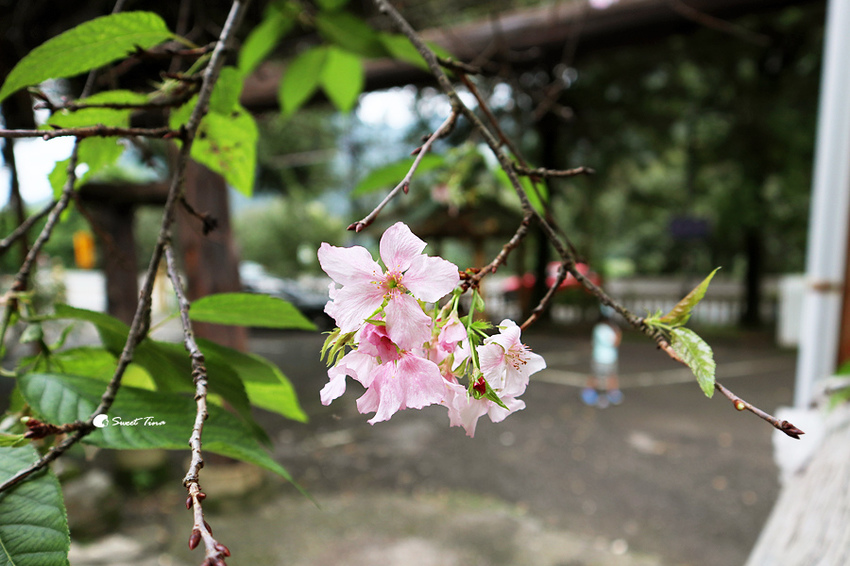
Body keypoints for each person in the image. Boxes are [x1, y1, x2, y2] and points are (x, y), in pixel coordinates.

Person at [582, 306, 624, 408]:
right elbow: (615, 342)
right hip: (602, 358)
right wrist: (619, 334)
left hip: (608, 358)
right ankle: (589, 393)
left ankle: (612, 393)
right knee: (597, 377)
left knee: (611, 376)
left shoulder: (602, 328)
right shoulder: (602, 329)